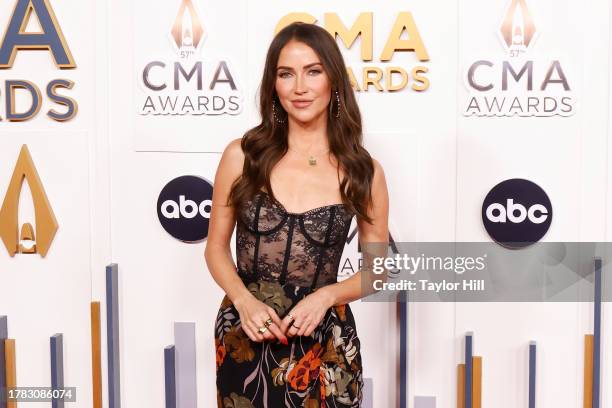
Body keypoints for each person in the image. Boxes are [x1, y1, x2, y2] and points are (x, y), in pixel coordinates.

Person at [205, 21, 389, 408]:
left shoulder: (362, 171)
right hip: (247, 333)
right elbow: (216, 249)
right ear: (273, 84)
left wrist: (326, 296)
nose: (300, 87)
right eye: (286, 74)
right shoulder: (241, 156)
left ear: (334, 80)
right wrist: (243, 300)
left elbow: (378, 270)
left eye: (313, 72)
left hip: (325, 340)